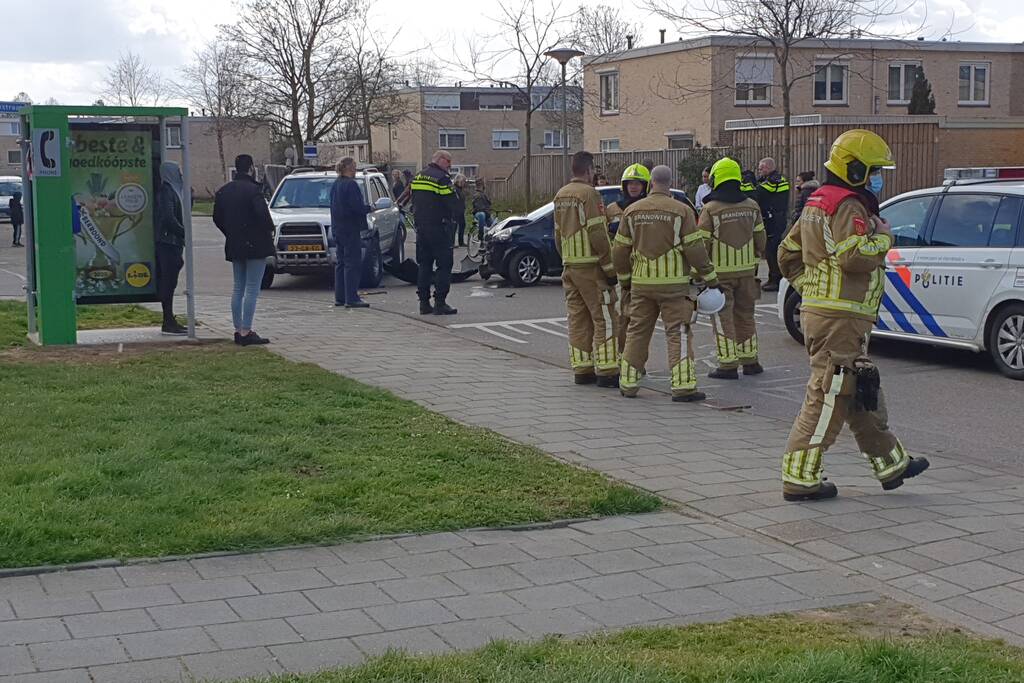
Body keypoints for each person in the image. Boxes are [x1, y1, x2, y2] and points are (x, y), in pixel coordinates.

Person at [777, 129, 930, 502]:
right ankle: (799, 476)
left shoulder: (818, 201)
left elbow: (786, 253)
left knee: (858, 389)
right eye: (875, 170)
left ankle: (891, 462)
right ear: (856, 168)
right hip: (840, 319)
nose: (879, 177)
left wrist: (811, 289)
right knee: (829, 395)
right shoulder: (848, 205)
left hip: (835, 316)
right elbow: (854, 256)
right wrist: (885, 238)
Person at [614, 165, 718, 402]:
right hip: (673, 285)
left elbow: (619, 250)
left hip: (641, 284)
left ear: (650, 182)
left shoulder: (632, 211)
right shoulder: (681, 211)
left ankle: (628, 383)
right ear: (670, 183)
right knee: (678, 332)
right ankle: (682, 387)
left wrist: (625, 280)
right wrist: (710, 277)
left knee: (637, 332)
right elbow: (695, 249)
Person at [555, 151, 619, 387]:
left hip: (570, 266)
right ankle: (607, 370)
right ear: (589, 170)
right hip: (591, 267)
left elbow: (557, 234)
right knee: (604, 317)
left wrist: (566, 258)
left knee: (577, 318)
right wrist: (610, 268)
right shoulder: (589, 194)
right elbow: (597, 233)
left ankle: (582, 369)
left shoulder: (560, 195)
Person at [699, 157, 766, 379]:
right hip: (747, 272)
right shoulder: (752, 205)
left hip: (720, 275)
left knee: (723, 317)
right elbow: (761, 239)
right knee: (746, 315)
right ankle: (750, 361)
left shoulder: (710, 208)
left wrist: (700, 272)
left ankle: (727, 364)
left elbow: (702, 243)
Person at [213, 154, 275, 346]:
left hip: (235, 244)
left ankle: (238, 330)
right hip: (255, 245)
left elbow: (217, 218)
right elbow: (263, 217)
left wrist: (230, 233)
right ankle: (247, 330)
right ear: (250, 168)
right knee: (252, 288)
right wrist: (268, 230)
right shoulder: (254, 191)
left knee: (238, 287)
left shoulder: (224, 191)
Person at [604, 163, 650, 352]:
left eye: (638, 183)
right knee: (622, 317)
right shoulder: (612, 209)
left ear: (645, 186)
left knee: (641, 320)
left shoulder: (648, 209)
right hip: (620, 270)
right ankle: (622, 355)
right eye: (630, 183)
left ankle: (637, 359)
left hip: (643, 270)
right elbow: (604, 238)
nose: (633, 187)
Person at [411, 150, 459, 315]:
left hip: (421, 228)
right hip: (439, 228)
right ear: (439, 160)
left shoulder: (418, 176)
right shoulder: (442, 179)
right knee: (444, 265)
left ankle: (424, 303)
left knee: (424, 265)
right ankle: (440, 302)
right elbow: (453, 204)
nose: (450, 165)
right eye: (448, 161)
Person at [330, 156, 372, 309]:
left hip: (337, 228)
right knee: (352, 263)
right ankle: (352, 298)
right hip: (350, 228)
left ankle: (340, 297)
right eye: (354, 167)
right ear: (348, 168)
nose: (356, 170)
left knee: (341, 263)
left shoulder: (336, 184)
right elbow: (357, 207)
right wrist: (370, 208)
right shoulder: (351, 185)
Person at [154, 162, 187, 334]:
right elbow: (169, 218)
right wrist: (183, 232)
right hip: (168, 242)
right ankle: (168, 320)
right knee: (168, 282)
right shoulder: (167, 192)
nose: (181, 176)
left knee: (170, 281)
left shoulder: (174, 190)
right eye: (178, 172)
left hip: (172, 242)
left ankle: (169, 319)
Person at [755, 157, 790, 292]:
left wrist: (750, 184)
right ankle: (773, 277)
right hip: (774, 219)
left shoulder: (775, 181)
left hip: (775, 220)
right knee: (770, 249)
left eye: (761, 168)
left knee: (772, 249)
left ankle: (775, 278)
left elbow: (759, 193)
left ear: (768, 167)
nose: (759, 171)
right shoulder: (774, 180)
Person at [453, 173, 468, 247]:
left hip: (461, 210)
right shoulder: (455, 189)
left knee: (462, 225)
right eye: (463, 181)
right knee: (454, 226)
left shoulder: (461, 189)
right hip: (456, 210)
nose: (464, 183)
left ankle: (461, 242)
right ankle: (452, 243)